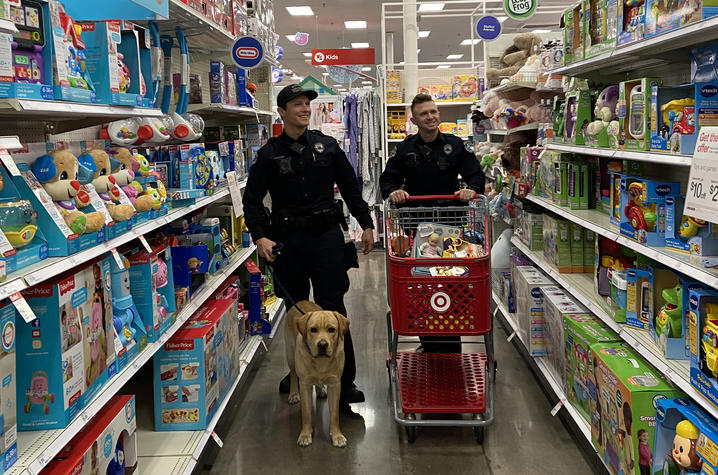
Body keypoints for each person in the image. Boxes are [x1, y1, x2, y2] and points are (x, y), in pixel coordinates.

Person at [243, 83, 375, 410]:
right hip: (287, 242)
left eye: (306, 104)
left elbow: (349, 187)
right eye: (297, 104)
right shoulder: (268, 154)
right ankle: (298, 373)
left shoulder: (327, 147)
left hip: (327, 237)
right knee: (298, 314)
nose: (304, 108)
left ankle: (344, 383)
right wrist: (260, 235)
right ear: (282, 112)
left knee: (334, 309)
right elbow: (252, 200)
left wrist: (367, 224)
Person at [379, 93, 486, 353]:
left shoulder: (455, 144)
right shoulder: (405, 149)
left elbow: (476, 176)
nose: (430, 117)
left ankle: (452, 342)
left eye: (433, 112)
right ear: (414, 119)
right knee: (422, 281)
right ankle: (428, 341)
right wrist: (395, 192)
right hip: (417, 226)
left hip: (452, 225)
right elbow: (387, 181)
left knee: (453, 280)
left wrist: (470, 190)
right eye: (424, 114)